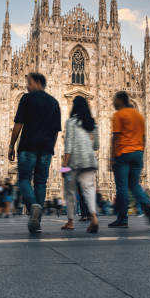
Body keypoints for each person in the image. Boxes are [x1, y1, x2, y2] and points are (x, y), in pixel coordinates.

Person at [8, 72, 61, 234]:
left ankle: (33, 207)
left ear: (38, 82)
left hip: (28, 146)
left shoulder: (26, 98)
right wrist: (50, 146)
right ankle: (36, 222)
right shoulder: (54, 102)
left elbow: (18, 124)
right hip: (46, 149)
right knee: (40, 183)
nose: (26, 86)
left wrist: (11, 145)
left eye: (29, 83)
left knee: (23, 180)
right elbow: (56, 130)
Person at [109, 91, 150, 228]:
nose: (113, 103)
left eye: (115, 100)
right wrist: (141, 152)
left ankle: (122, 220)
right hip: (138, 154)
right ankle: (148, 204)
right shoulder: (139, 115)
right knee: (134, 185)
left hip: (123, 154)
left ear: (120, 100)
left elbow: (116, 137)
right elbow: (144, 138)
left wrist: (112, 157)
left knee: (122, 187)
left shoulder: (119, 115)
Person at [61, 95, 100, 233]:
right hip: (89, 160)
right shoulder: (93, 124)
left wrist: (64, 165)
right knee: (88, 189)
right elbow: (96, 146)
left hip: (74, 163)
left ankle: (70, 222)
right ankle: (94, 217)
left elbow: (68, 145)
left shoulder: (71, 122)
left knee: (70, 192)